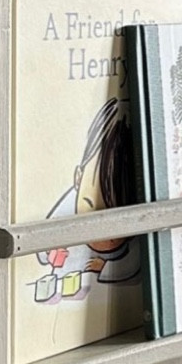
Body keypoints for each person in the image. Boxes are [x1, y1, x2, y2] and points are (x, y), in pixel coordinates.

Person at [34, 98, 137, 304]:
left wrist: (104, 267)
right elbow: (43, 237)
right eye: (90, 205)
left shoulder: (134, 237)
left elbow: (133, 264)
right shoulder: (71, 200)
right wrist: (49, 250)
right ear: (78, 178)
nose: (104, 233)